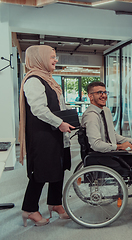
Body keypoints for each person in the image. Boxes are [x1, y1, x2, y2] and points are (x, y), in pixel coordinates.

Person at [19, 45, 75, 227]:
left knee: (58, 168)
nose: (56, 60)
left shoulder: (49, 80)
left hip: (55, 135)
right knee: (41, 172)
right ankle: (29, 209)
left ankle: (55, 203)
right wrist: (59, 123)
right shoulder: (33, 80)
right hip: (43, 136)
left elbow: (58, 106)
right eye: (52, 56)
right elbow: (38, 109)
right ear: (39, 58)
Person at [81, 81, 132, 178]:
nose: (103, 96)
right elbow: (96, 145)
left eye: (105, 92)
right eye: (99, 93)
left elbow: (113, 135)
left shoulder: (106, 111)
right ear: (90, 96)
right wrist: (119, 147)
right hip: (102, 157)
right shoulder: (91, 116)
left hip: (113, 153)